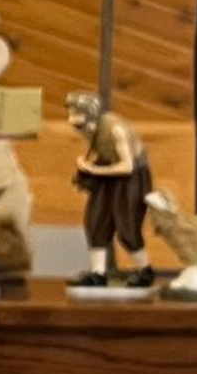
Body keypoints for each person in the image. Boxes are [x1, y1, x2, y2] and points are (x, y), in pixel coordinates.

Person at [65, 90, 156, 288]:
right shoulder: (87, 129)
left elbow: (127, 166)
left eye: (77, 114)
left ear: (89, 114)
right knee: (96, 220)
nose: (73, 119)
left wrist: (92, 169)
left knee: (127, 225)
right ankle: (98, 273)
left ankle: (145, 270)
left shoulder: (115, 129)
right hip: (108, 169)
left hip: (132, 177)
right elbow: (102, 151)